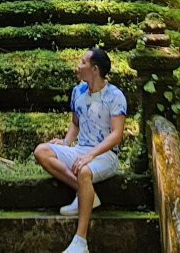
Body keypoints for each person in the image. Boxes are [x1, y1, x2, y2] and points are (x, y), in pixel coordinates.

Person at [33, 48, 127, 253]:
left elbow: (117, 135)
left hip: (106, 156)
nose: (78, 66)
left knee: (85, 171)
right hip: (81, 149)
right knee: (42, 151)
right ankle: (85, 193)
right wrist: (66, 144)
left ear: (94, 69)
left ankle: (80, 241)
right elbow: (75, 124)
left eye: (82, 62)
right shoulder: (78, 91)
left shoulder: (115, 95)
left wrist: (91, 155)